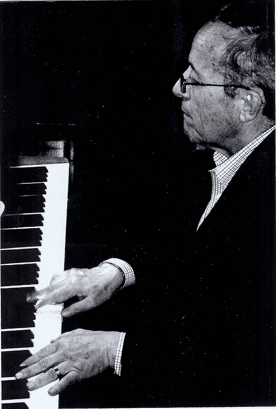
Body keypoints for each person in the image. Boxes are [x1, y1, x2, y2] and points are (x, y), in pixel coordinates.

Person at [15, 1, 275, 406]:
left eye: (193, 80)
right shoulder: (226, 153)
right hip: (171, 332)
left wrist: (112, 350)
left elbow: (243, 364)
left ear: (246, 103)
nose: (177, 89)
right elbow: (185, 247)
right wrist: (115, 272)